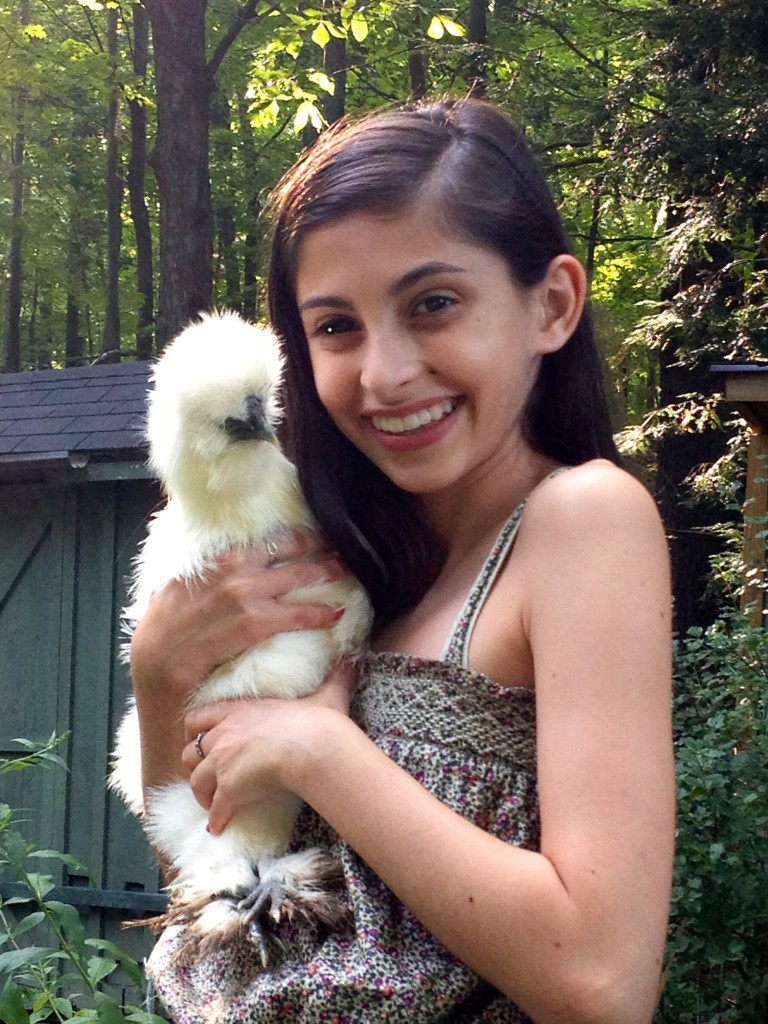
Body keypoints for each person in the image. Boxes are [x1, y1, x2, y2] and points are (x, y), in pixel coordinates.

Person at [130, 98, 675, 1024]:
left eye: (433, 304)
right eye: (336, 326)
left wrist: (320, 752)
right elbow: (215, 886)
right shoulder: (353, 558)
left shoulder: (582, 521)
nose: (382, 374)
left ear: (552, 306)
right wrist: (159, 677)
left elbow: (602, 983)